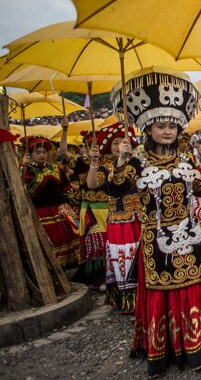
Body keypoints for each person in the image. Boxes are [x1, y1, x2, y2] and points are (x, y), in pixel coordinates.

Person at [109, 67, 201, 378]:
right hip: (157, 242)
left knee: (195, 288)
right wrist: (122, 161)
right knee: (168, 293)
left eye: (172, 126)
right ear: (148, 129)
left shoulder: (185, 161)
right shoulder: (137, 161)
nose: (167, 131)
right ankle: (170, 349)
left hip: (191, 235)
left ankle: (200, 345)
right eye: (161, 125)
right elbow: (115, 189)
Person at [85, 122, 141, 314]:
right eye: (115, 143)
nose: (119, 146)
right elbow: (92, 184)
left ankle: (146, 297)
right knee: (123, 257)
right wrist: (93, 162)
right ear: (109, 146)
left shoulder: (137, 161)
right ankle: (128, 299)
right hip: (118, 220)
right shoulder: (105, 165)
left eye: (122, 142)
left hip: (139, 218)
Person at [20, 136, 80, 269]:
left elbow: (65, 187)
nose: (42, 155)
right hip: (40, 213)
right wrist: (23, 166)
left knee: (68, 238)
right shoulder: (26, 171)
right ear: (30, 154)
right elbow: (21, 189)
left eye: (44, 152)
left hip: (61, 210)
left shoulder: (56, 168)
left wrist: (73, 204)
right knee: (49, 242)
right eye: (38, 152)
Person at [71, 129, 110, 289]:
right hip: (89, 209)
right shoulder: (79, 163)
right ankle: (97, 278)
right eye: (91, 145)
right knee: (95, 243)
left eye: (98, 145)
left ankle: (109, 275)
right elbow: (62, 155)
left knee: (106, 242)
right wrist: (67, 130)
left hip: (106, 208)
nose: (95, 148)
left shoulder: (109, 162)